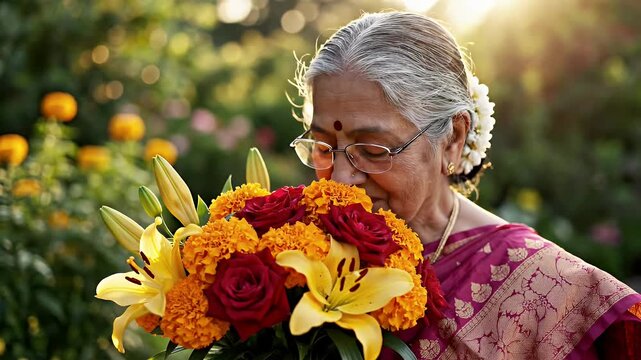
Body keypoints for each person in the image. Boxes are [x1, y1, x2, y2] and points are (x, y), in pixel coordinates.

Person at [288, 11, 641, 359]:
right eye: (323, 147)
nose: (340, 178)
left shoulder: (555, 295)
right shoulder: (288, 253)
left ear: (453, 139)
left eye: (372, 150)